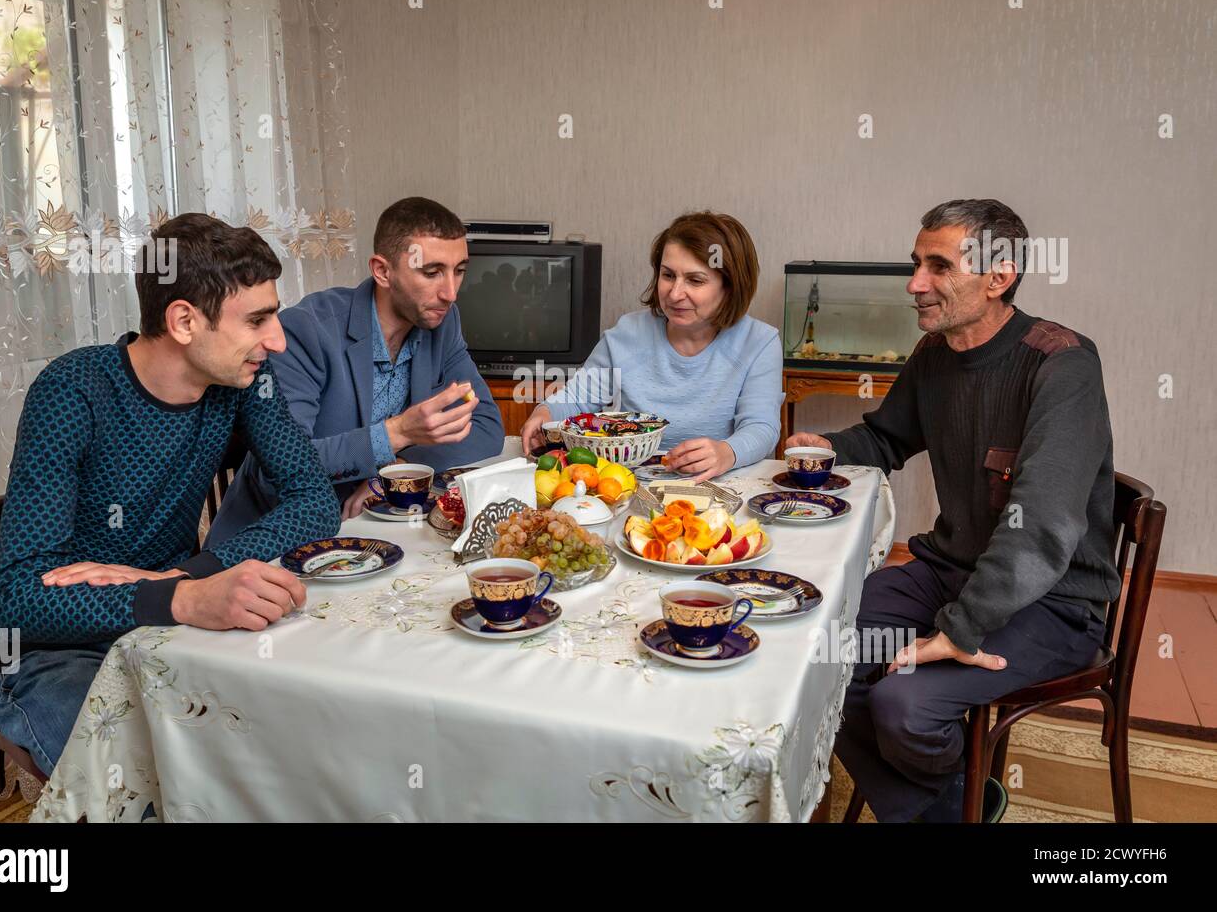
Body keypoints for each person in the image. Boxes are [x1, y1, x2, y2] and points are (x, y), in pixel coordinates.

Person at [789, 198, 1117, 821]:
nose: (915, 284)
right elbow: (887, 437)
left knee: (903, 708)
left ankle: (941, 796)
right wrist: (828, 449)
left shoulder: (1063, 364)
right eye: (916, 264)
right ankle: (955, 803)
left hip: (1053, 601)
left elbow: (1043, 524)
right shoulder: (936, 354)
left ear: (999, 276)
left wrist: (960, 629)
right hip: (948, 569)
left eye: (938, 266)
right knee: (813, 655)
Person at [0, 213, 341, 775]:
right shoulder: (73, 390)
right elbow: (19, 598)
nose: (277, 339)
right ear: (183, 321)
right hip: (62, 649)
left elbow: (314, 501)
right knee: (140, 775)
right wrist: (178, 597)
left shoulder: (242, 381)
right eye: (258, 320)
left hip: (172, 620)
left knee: (286, 737)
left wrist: (189, 578)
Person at [208, 196, 504, 537]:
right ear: (382, 271)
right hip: (272, 539)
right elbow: (280, 467)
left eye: (460, 271)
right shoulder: (305, 330)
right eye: (432, 272)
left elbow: (485, 425)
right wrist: (398, 433)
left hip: (372, 532)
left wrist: (398, 470)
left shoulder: (442, 322)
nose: (451, 293)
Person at [520, 211, 782, 481]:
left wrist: (727, 452)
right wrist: (545, 411)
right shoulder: (627, 333)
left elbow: (761, 427)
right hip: (632, 483)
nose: (675, 293)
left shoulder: (760, 342)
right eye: (668, 275)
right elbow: (577, 397)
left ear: (731, 286)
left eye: (695, 280)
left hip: (722, 485)